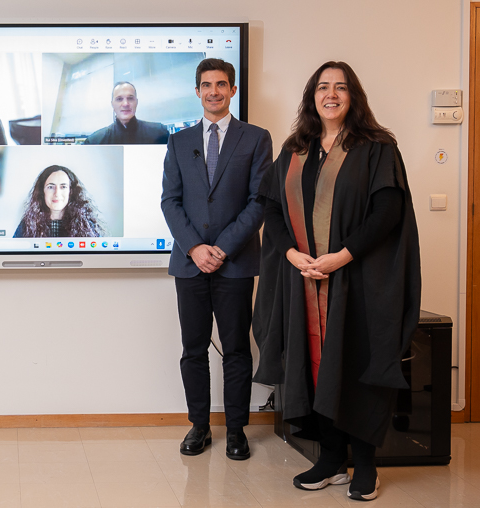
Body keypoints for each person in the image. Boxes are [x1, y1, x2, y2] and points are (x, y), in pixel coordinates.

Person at [253, 61, 421, 501]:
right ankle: (330, 460)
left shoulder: (376, 147)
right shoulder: (296, 149)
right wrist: (293, 255)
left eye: (340, 87)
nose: (331, 94)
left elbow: (387, 212)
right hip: (304, 282)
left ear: (353, 96)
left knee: (356, 365)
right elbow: (272, 207)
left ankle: (365, 464)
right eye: (323, 87)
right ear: (312, 96)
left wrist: (341, 257)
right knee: (313, 368)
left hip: (358, 281)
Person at [161, 58, 272, 461]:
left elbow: (259, 202)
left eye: (221, 84)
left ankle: (237, 430)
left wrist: (222, 248)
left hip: (235, 262)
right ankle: (199, 426)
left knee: (237, 348)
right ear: (197, 91)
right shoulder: (178, 141)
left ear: (233, 90)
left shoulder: (256, 138)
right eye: (206, 85)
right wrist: (195, 247)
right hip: (189, 263)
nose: (213, 91)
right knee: (193, 348)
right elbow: (170, 201)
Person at [13, 165, 104, 238]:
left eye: (63, 187)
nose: (57, 193)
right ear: (42, 191)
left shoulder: (86, 224)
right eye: (50, 187)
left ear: (71, 192)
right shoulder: (27, 224)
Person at [83, 82, 170, 145]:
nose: (125, 104)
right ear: (112, 104)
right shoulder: (95, 141)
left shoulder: (160, 133)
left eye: (130, 98)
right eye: (119, 99)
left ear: (136, 102)